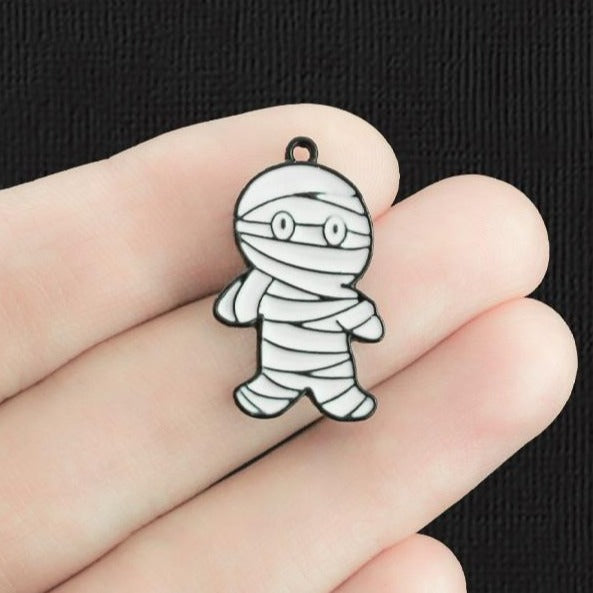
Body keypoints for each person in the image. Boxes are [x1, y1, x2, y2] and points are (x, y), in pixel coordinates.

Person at [0, 104, 576, 592]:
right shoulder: (264, 280)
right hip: (275, 357)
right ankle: (275, 388)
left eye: (329, 233)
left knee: (336, 380)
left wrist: (361, 317)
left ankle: (334, 391)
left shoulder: (332, 289)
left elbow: (354, 316)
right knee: (274, 380)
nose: (306, 242)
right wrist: (249, 301)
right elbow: (237, 308)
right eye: (283, 228)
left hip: (328, 359)